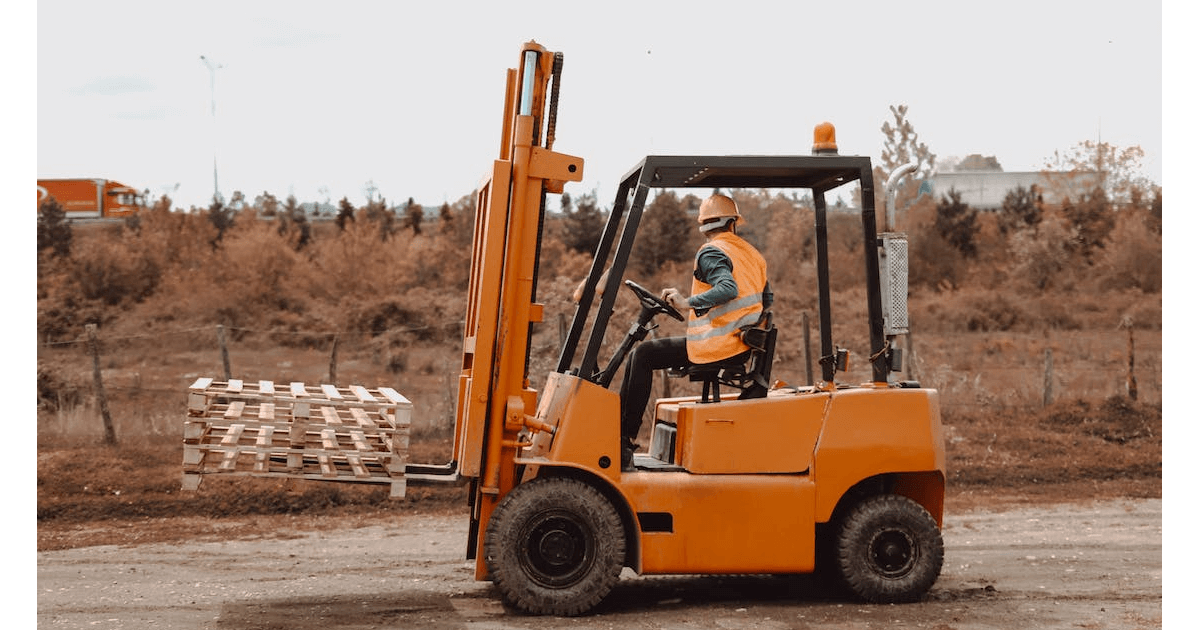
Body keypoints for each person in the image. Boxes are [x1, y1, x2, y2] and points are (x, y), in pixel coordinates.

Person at [619, 193, 772, 470]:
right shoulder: (752, 254)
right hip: (740, 343)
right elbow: (767, 301)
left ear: (703, 225)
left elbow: (728, 288)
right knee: (643, 355)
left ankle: (622, 439)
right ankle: (622, 435)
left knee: (642, 354)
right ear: (733, 222)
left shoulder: (711, 251)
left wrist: (688, 303)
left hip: (718, 346)